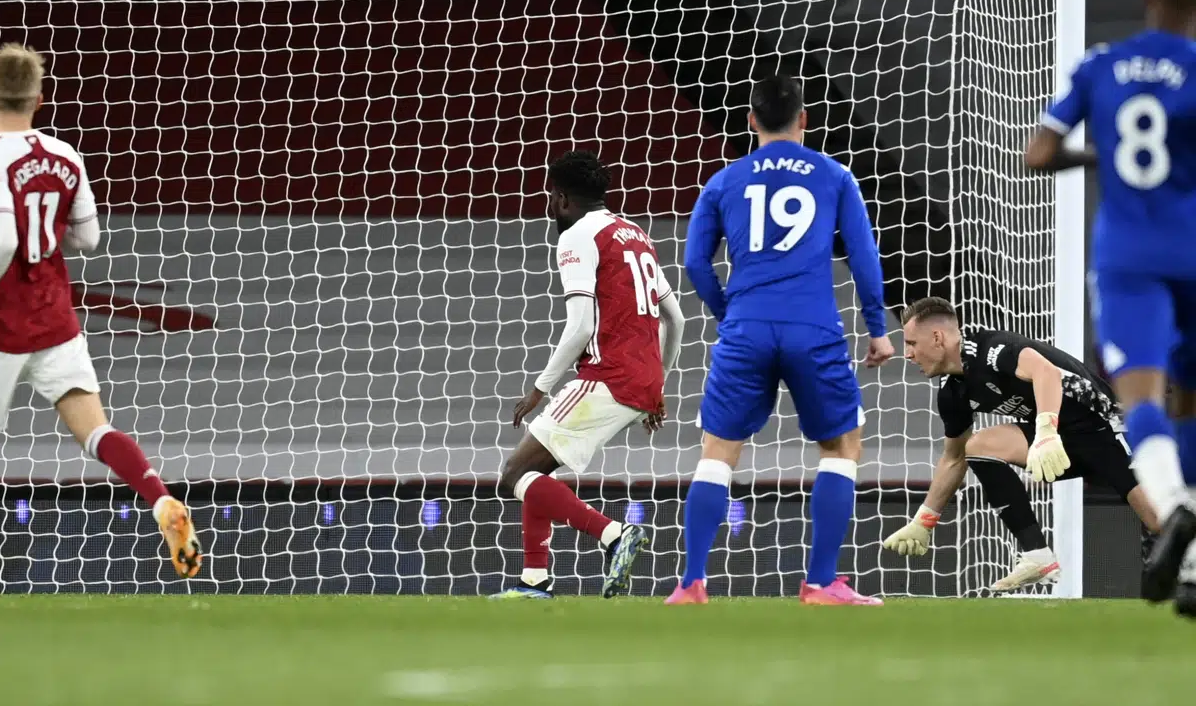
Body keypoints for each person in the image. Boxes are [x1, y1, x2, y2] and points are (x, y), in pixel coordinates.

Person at [0, 43, 202, 597]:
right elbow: (89, 238)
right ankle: (159, 499)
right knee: (94, 429)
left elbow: (4, 239)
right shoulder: (66, 155)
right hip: (55, 316)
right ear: (38, 99)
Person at [669, 75, 893, 606]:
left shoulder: (724, 180)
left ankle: (692, 582)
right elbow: (864, 256)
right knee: (842, 445)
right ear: (804, 119)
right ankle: (820, 583)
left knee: (718, 451)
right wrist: (878, 329)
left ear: (751, 121)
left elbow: (695, 262)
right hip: (813, 328)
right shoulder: (835, 175)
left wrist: (729, 313)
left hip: (746, 327)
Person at [1026, 0, 1196, 611]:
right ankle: (1193, 574)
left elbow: (1039, 153)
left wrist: (1102, 156)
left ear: (1147, 0)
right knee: (1189, 401)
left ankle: (1175, 507)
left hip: (1128, 258)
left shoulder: (1101, 65)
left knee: (1143, 399)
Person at [491, 151, 684, 599]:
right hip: (640, 380)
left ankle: (615, 534)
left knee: (514, 474)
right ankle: (534, 581)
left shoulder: (578, 236)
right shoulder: (635, 234)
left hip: (606, 376)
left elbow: (579, 327)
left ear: (561, 198)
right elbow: (675, 318)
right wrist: (658, 384)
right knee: (536, 472)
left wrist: (539, 389)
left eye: (549, 197)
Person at [888, 297, 1158, 591]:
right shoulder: (952, 393)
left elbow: (1046, 372)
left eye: (911, 343)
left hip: (1106, 431)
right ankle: (1037, 555)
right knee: (978, 446)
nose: (907, 354)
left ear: (937, 338)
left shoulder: (992, 349)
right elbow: (953, 459)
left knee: (1157, 522)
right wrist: (924, 520)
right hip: (1058, 443)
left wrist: (1046, 431)